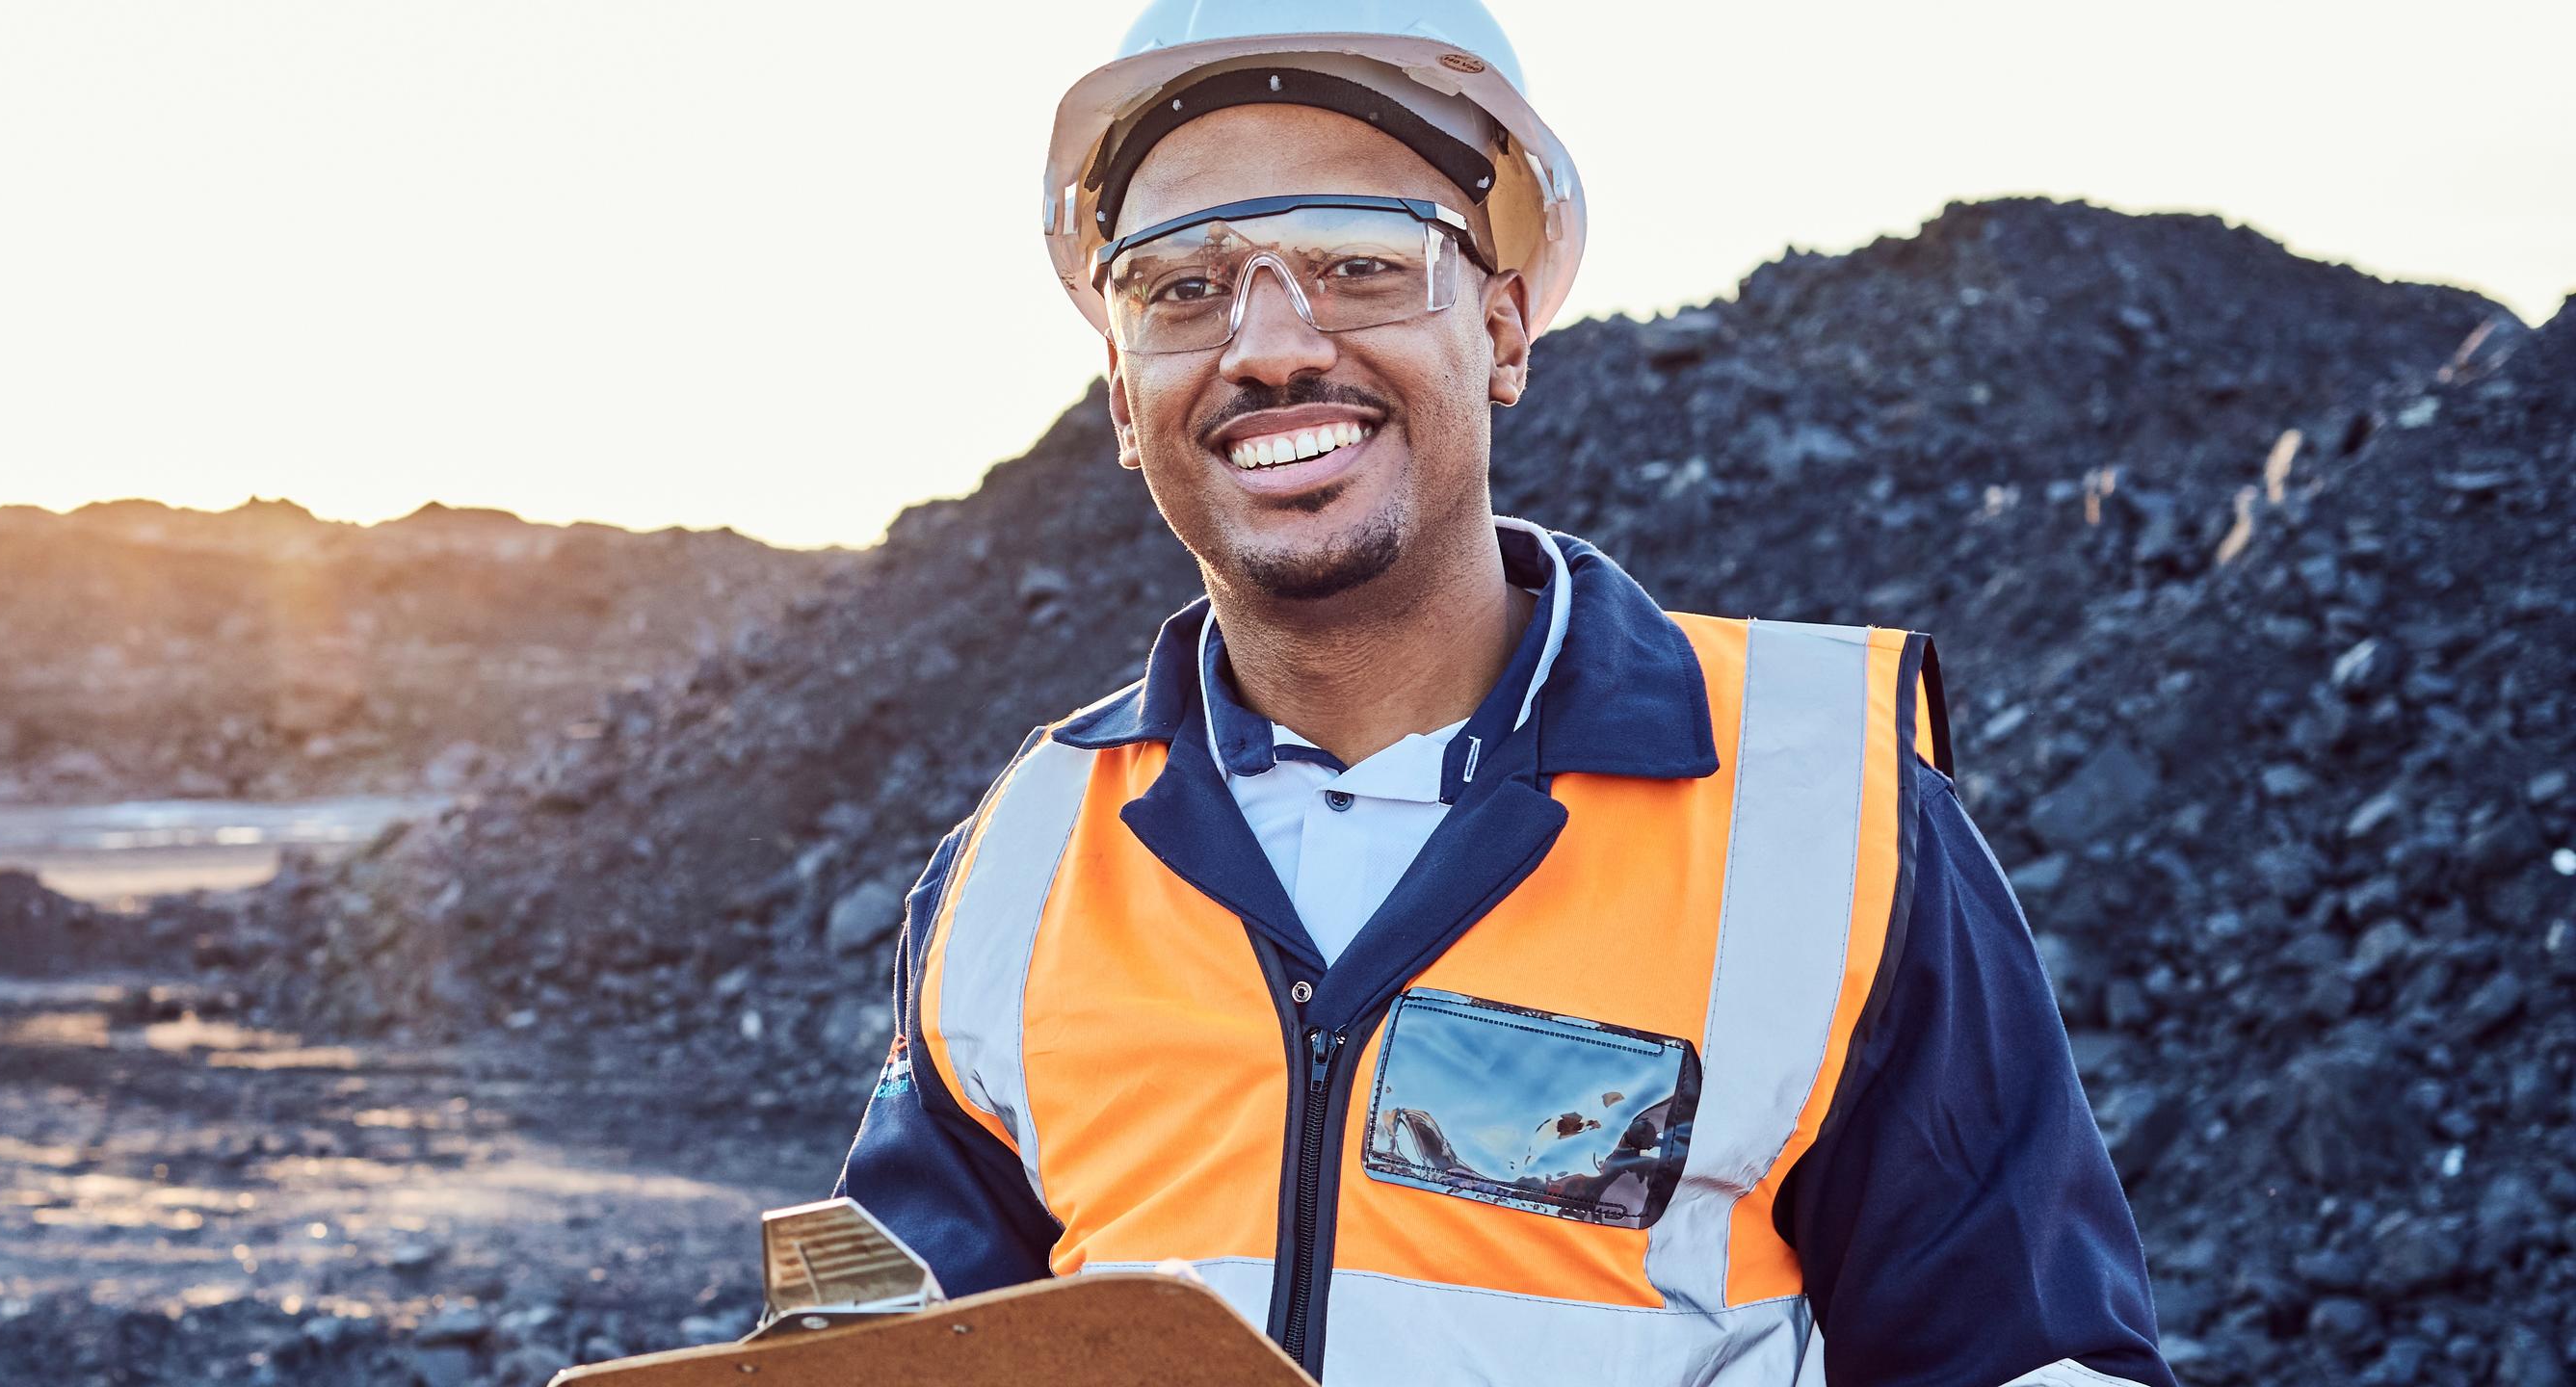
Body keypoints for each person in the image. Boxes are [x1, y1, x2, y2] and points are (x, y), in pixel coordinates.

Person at [829, 3, 2177, 1382]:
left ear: (1505, 327)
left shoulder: (1819, 817)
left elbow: (2027, 1360)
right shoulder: (1022, 866)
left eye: (1360, 264)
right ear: (1122, 397)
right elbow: (902, 1354)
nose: (1273, 346)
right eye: (1181, 287)